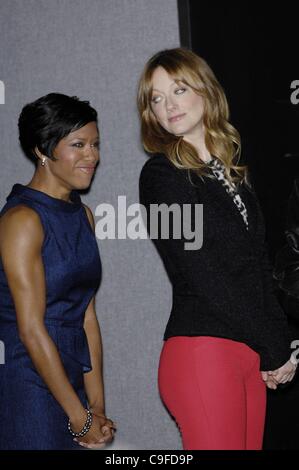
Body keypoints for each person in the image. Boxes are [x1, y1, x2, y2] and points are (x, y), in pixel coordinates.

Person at [138, 48, 297, 450]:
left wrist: (279, 346)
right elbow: (202, 273)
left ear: (206, 92)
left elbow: (259, 268)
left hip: (246, 352)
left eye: (178, 89)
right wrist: (273, 345)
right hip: (202, 352)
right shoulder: (159, 177)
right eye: (157, 98)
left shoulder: (232, 174)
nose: (168, 104)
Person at [0, 93, 115, 450]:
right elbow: (31, 330)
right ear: (43, 150)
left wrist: (95, 405)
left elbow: (88, 318)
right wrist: (79, 418)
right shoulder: (22, 220)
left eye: (95, 144)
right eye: (78, 145)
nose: (91, 156)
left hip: (72, 375)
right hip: (28, 379)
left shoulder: (83, 215)